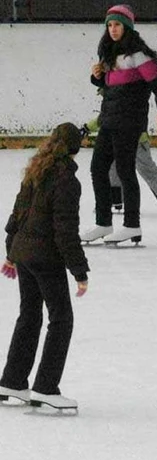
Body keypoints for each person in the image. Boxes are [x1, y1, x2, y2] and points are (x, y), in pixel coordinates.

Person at [0, 123, 89, 410]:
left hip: (25, 255)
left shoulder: (35, 170)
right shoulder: (67, 181)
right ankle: (45, 387)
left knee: (29, 315)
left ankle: (12, 381)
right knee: (61, 319)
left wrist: (11, 253)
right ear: (76, 149)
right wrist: (79, 271)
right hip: (45, 258)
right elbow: (65, 231)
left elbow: (17, 215)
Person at [81, 4, 157, 246]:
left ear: (128, 27)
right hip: (110, 118)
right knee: (98, 168)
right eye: (109, 25)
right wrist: (97, 76)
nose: (112, 29)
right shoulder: (111, 54)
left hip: (130, 121)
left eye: (118, 24)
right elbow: (110, 87)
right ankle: (103, 222)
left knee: (125, 170)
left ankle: (132, 225)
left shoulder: (138, 55)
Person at [81, 116, 157, 218]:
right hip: (119, 136)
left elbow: (106, 116)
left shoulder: (123, 101)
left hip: (136, 138)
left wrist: (87, 127)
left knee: (146, 168)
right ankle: (116, 201)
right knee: (113, 165)